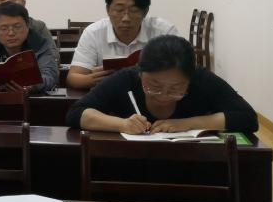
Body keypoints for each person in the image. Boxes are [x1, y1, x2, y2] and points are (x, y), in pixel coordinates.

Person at [66, 34, 257, 134]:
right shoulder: (126, 79)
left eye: (176, 89)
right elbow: (76, 113)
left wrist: (188, 124)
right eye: (154, 86)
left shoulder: (201, 80)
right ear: (140, 73)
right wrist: (122, 124)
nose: (164, 95)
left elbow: (247, 118)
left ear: (189, 79)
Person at [67, 0, 178, 90]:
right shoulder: (93, 33)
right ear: (108, 10)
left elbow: (183, 72)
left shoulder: (165, 33)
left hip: (154, 95)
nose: (126, 18)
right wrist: (94, 79)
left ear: (145, 12)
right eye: (119, 10)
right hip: (109, 95)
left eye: (134, 10)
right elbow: (73, 77)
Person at [0, 2, 59, 94]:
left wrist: (32, 86)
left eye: (17, 27)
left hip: (32, 100)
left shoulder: (41, 45)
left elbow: (50, 75)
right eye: (4, 28)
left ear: (28, 26)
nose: (11, 33)